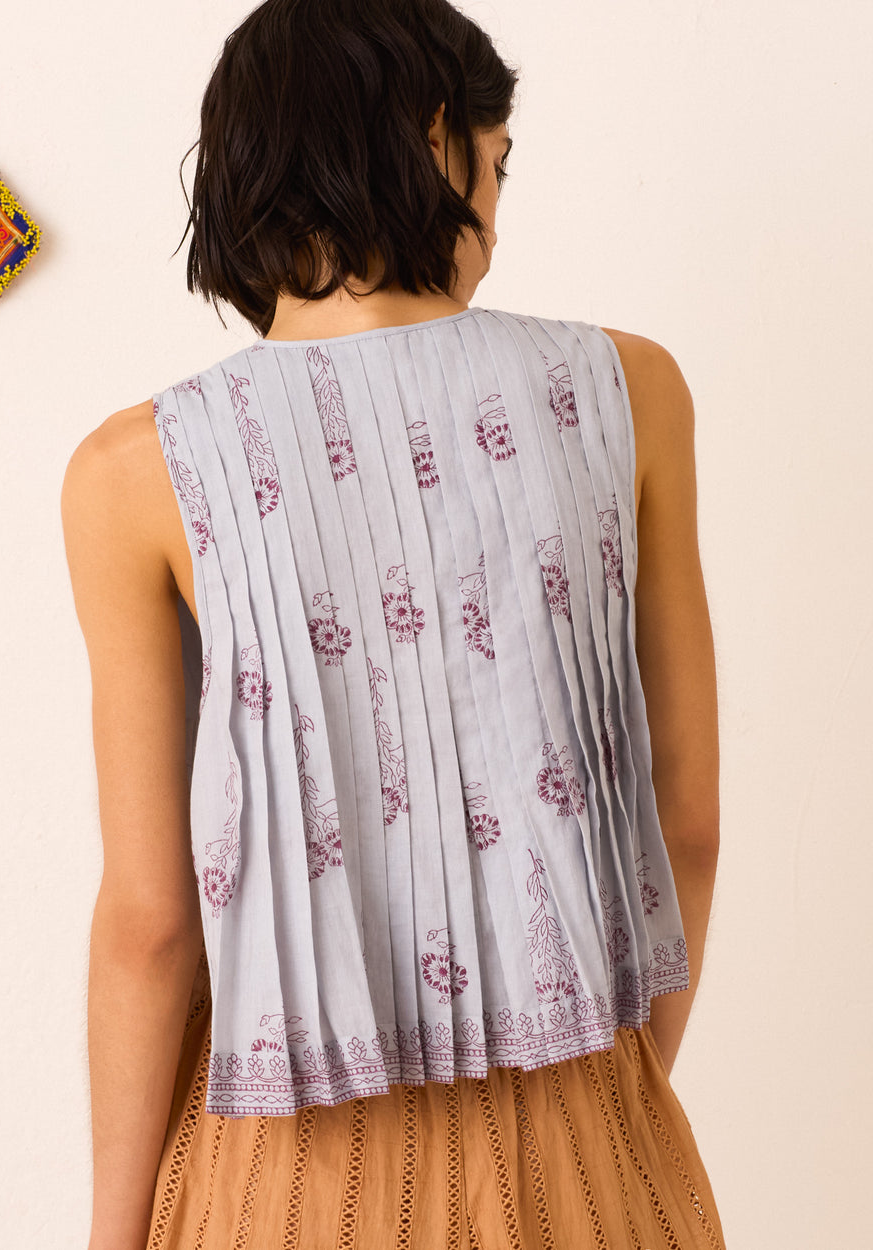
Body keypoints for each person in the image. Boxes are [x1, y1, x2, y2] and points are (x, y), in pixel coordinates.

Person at [60, 1, 726, 1247]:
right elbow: (682, 815)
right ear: (434, 139)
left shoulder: (133, 470)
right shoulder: (628, 389)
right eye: (497, 164)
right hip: (587, 1125)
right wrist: (615, 1094)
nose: (496, 218)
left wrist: (113, 1230)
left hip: (278, 1170)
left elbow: (151, 921)